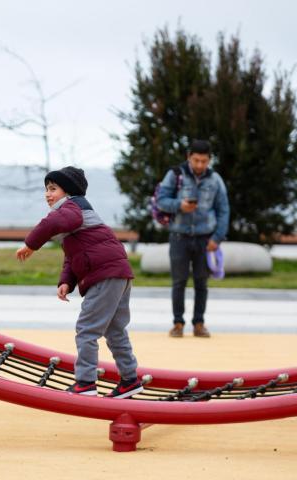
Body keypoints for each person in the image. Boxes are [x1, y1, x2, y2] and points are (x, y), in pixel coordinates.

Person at [16, 167, 143, 399]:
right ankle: (130, 380)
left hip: (105, 276)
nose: (47, 194)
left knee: (86, 330)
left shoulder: (71, 207)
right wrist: (67, 281)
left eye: (53, 189)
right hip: (119, 273)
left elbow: (49, 224)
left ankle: (85, 382)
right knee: (115, 331)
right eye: (46, 189)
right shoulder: (80, 214)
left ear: (69, 192)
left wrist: (31, 244)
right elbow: (73, 255)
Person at [155, 140, 230, 338]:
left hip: (205, 239)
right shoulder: (175, 175)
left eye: (204, 161)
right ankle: (178, 323)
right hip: (179, 236)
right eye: (196, 160)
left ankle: (199, 323)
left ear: (209, 160)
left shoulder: (215, 180)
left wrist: (218, 237)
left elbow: (224, 210)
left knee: (201, 283)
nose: (199, 165)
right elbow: (161, 201)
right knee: (178, 282)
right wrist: (180, 205)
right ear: (189, 157)